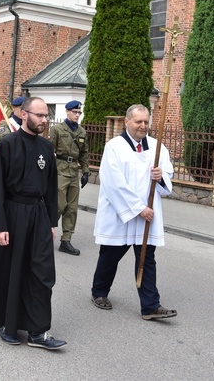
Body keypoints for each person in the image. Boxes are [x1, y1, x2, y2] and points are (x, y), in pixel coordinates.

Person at [0, 96, 66, 350]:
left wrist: (52, 221)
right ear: (24, 114)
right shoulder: (7, 145)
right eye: (39, 115)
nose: (44, 119)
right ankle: (5, 323)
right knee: (10, 269)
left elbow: (51, 187)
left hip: (38, 214)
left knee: (42, 273)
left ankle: (37, 332)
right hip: (12, 213)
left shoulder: (45, 148)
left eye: (46, 115)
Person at [90, 104, 176, 320]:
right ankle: (99, 292)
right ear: (127, 122)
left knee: (146, 259)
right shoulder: (114, 147)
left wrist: (160, 176)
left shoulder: (157, 148)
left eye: (146, 122)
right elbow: (113, 183)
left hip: (147, 217)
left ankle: (150, 306)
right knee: (110, 256)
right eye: (138, 121)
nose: (143, 126)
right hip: (120, 214)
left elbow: (168, 179)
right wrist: (138, 209)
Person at [49, 100, 90, 256]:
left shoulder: (82, 132)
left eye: (79, 112)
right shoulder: (57, 129)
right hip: (60, 170)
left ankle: (66, 240)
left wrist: (85, 172)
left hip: (73, 172)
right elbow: (49, 150)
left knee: (72, 208)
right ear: (67, 112)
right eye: (74, 112)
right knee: (59, 205)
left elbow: (84, 153)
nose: (77, 115)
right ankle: (46, 234)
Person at [0, 96, 25, 250]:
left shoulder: (28, 126)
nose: (23, 111)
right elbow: (5, 142)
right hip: (6, 167)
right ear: (14, 108)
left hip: (21, 170)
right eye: (20, 107)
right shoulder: (6, 124)